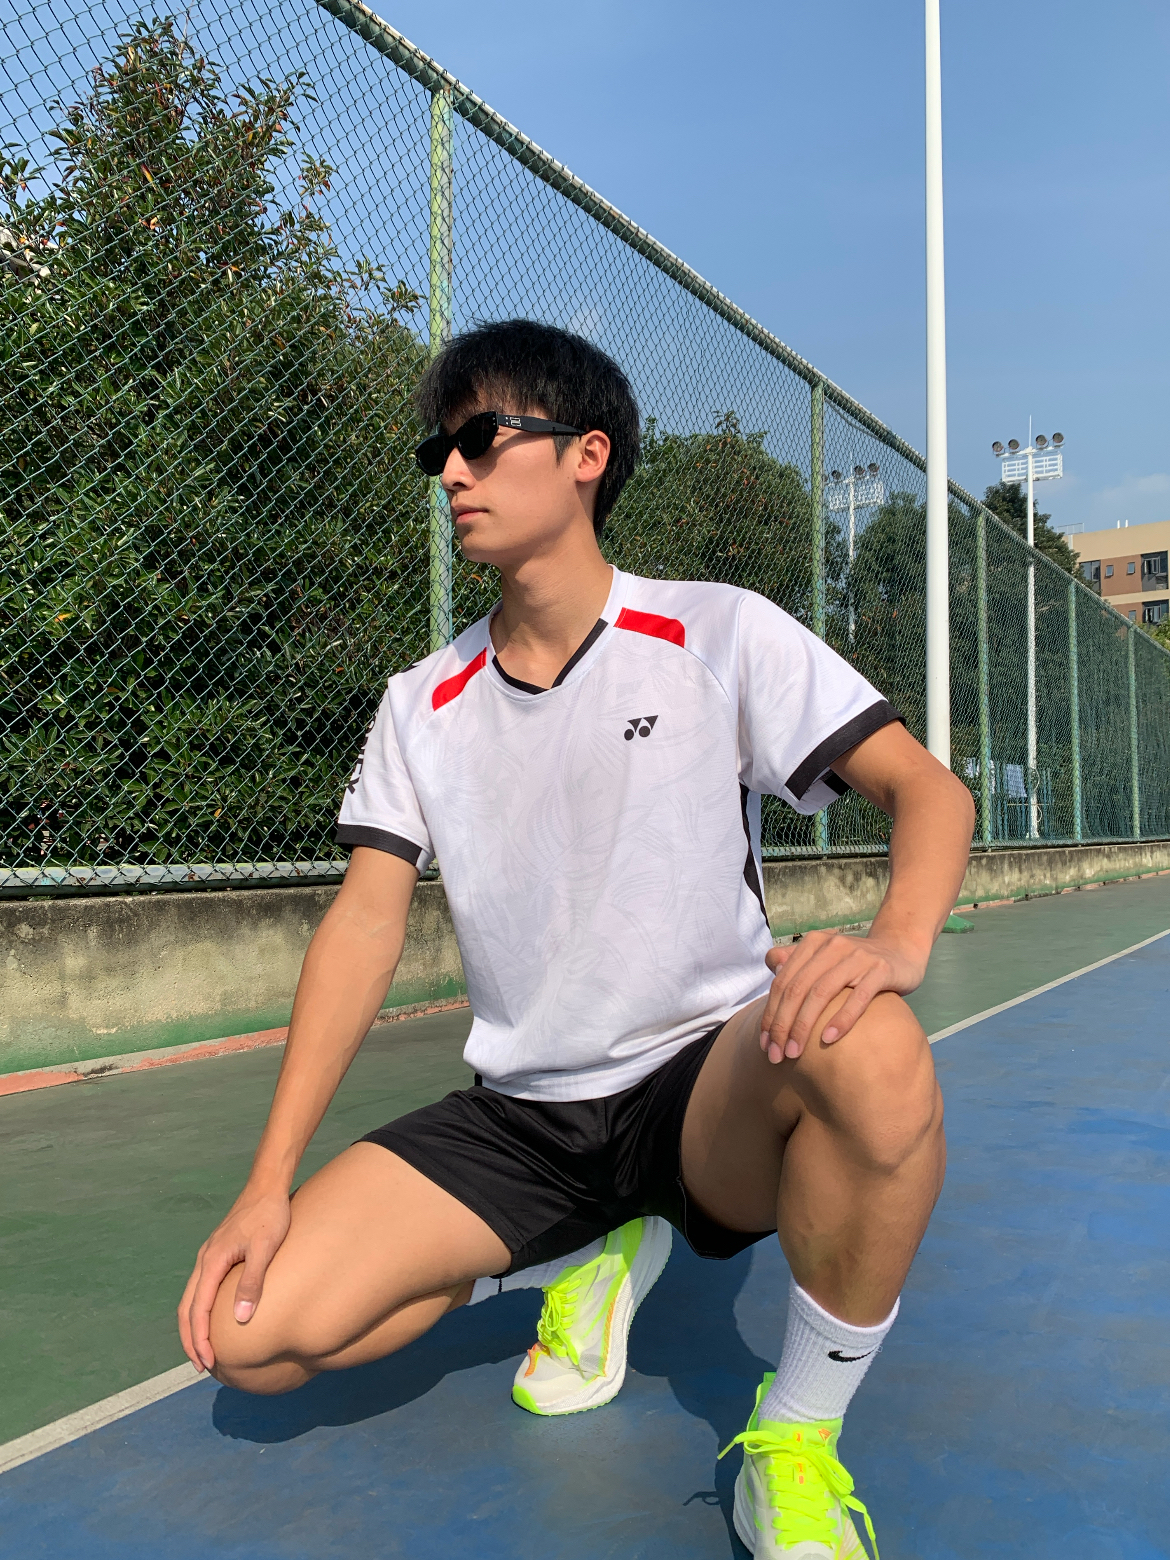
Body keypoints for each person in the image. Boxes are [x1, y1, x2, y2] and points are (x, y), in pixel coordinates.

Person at [179, 319, 974, 1558]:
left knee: (868, 1045)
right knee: (247, 1334)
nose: (451, 471)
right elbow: (364, 924)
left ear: (587, 454)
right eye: (440, 451)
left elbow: (927, 792)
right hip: (524, 1119)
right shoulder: (420, 704)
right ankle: (568, 1257)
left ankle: (796, 1438)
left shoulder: (716, 631)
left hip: (702, 1088)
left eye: (480, 440)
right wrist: (266, 1181)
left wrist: (896, 943)